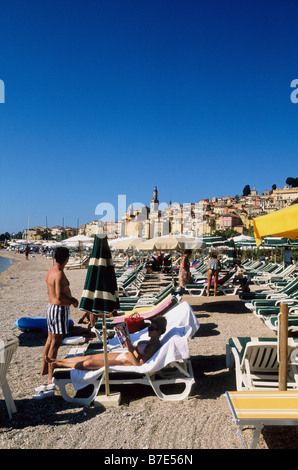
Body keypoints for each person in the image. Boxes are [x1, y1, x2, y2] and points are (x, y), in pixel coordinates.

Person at [46, 316, 167, 374]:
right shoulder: (148, 341)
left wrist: (130, 350)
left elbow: (139, 365)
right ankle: (57, 361)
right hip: (123, 354)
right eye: (149, 327)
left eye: (152, 329)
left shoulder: (155, 346)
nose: (149, 330)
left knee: (88, 363)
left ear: (160, 331)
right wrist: (128, 345)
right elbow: (136, 351)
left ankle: (58, 364)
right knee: (89, 357)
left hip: (126, 361)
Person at [41, 247, 79, 383]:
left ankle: (44, 369)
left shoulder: (50, 271)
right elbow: (59, 296)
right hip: (58, 309)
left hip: (50, 308)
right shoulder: (59, 274)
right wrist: (73, 301)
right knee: (55, 343)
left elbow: (50, 293)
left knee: (49, 340)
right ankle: (50, 376)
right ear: (67, 259)